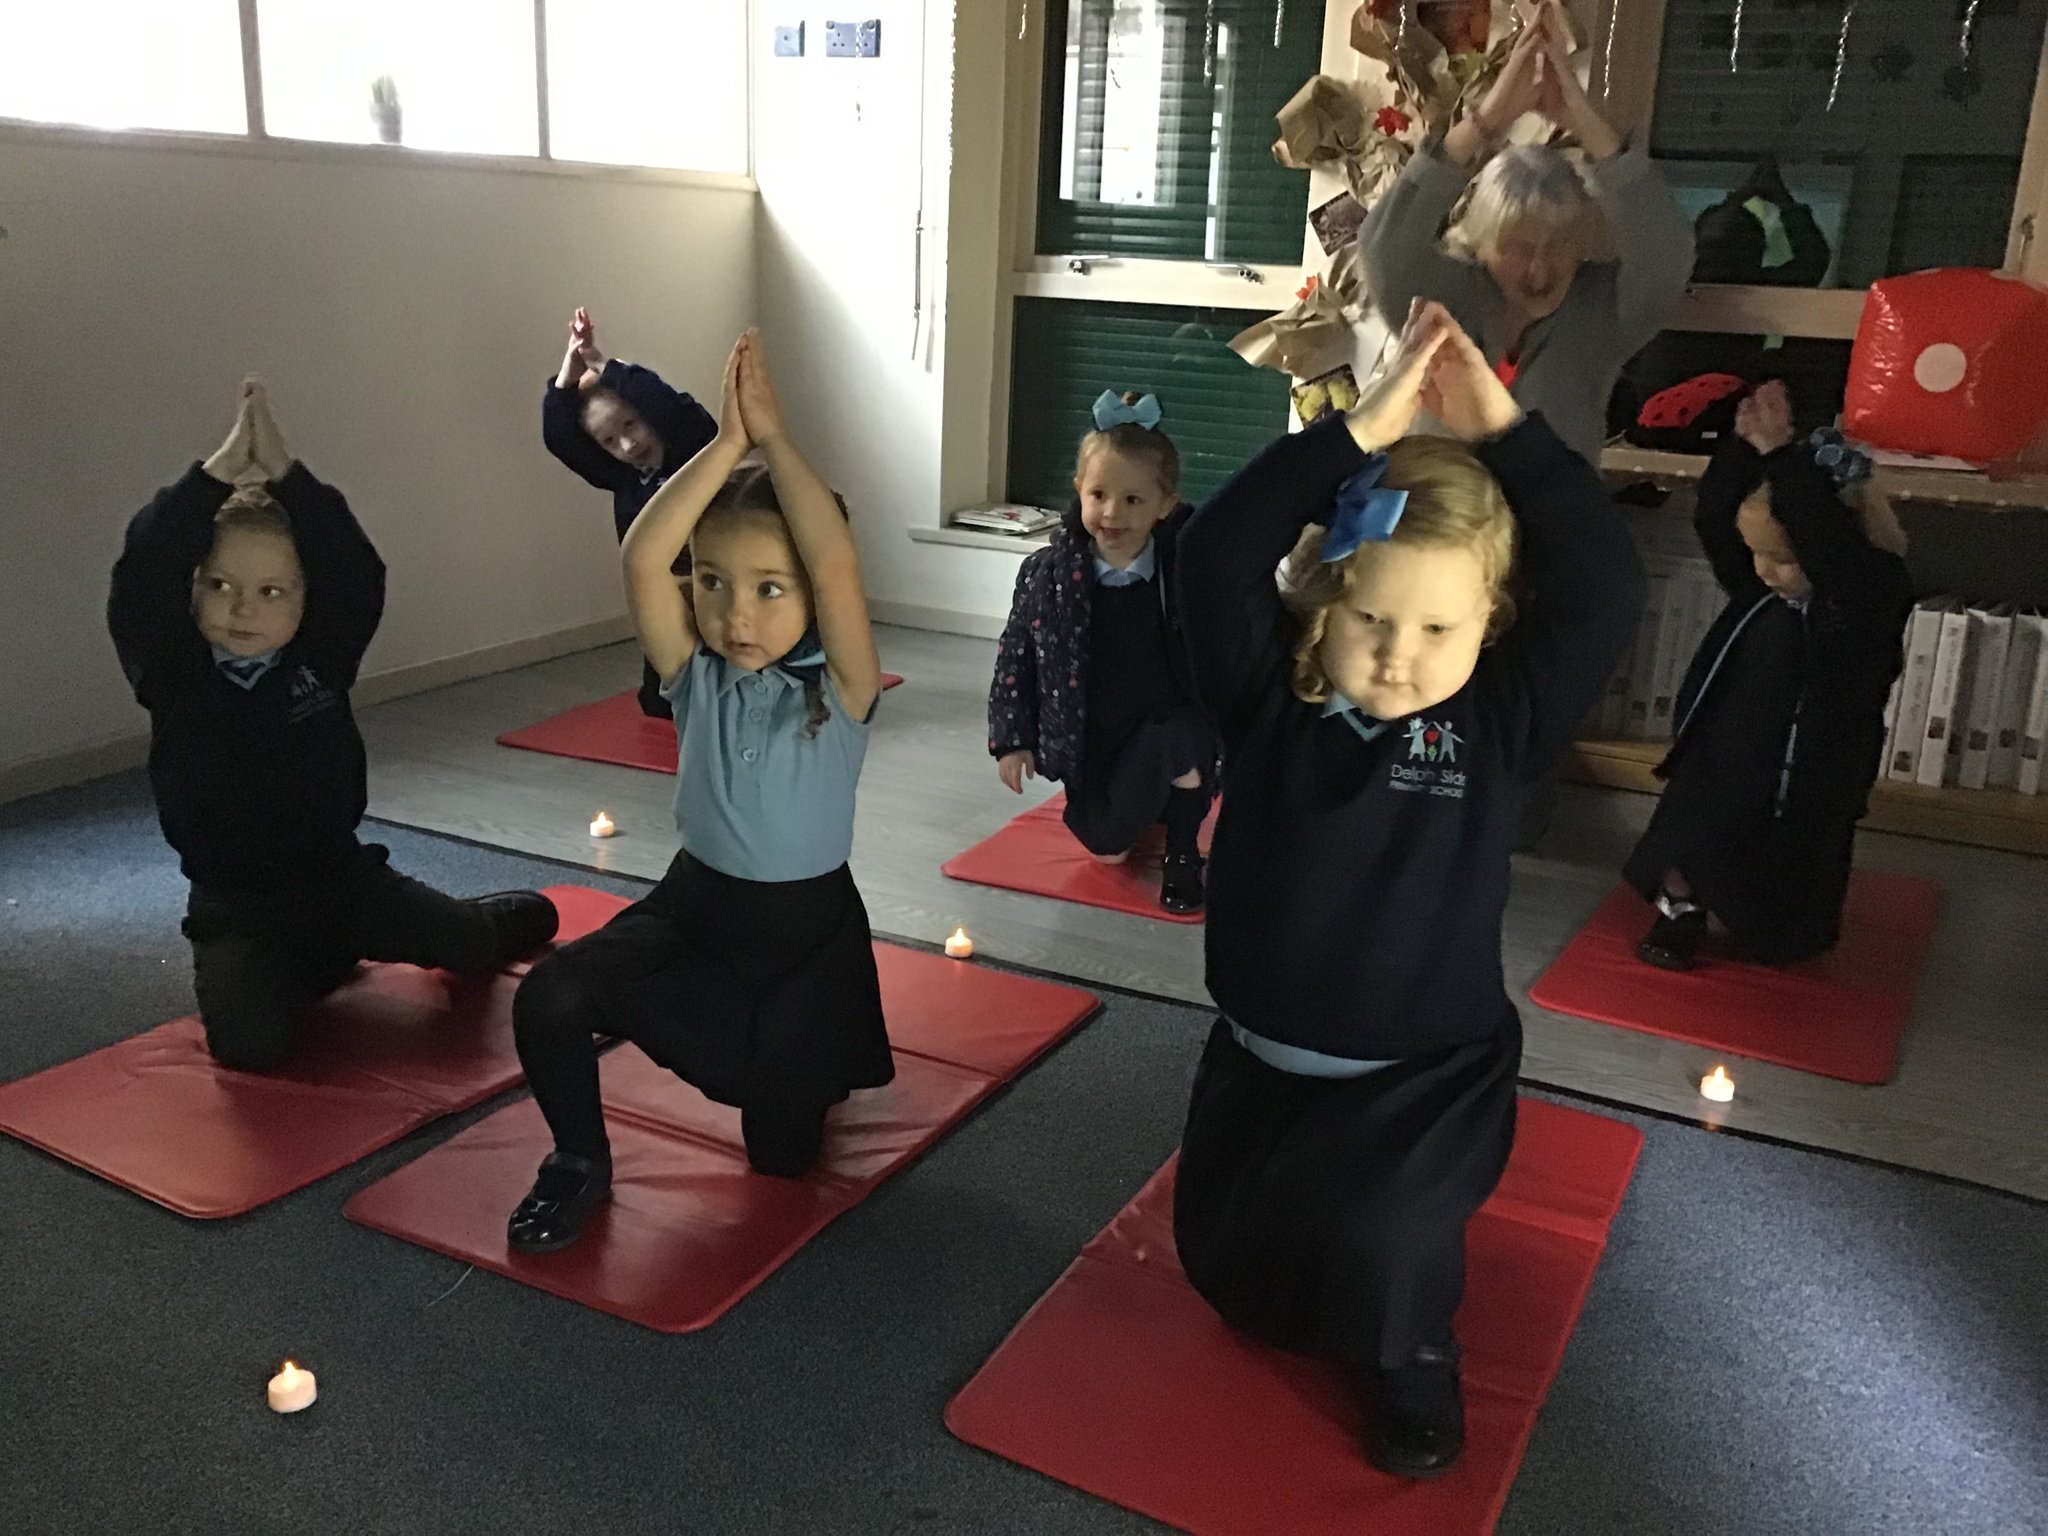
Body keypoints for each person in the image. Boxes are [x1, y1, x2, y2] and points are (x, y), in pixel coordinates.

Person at [1167, 301, 1644, 1478]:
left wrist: (1502, 432)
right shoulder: (1265, 700)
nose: (1398, 653)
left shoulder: (1494, 725)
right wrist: (1354, 430)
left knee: (1381, 1246)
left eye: (1438, 625)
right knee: (1234, 1279)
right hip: (1262, 1062)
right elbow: (1212, 553)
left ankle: (1414, 1350)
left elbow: (1605, 584)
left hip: (1421, 1081)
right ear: (1324, 605)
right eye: (1371, 618)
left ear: (1491, 623)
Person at [506, 332, 893, 1253]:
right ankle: (576, 1161)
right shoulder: (694, 675)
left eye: (769, 588)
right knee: (548, 1000)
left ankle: (805, 1075)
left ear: (811, 597)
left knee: (783, 1158)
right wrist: (721, 447)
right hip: (696, 914)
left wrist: (774, 443)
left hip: (804, 941)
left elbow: (836, 563)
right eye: (715, 584)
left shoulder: (842, 690)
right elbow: (645, 563)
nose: (735, 612)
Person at [108, 381, 558, 1071]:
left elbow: (353, 570)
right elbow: (142, 575)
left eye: (270, 592)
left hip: (342, 881)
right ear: (193, 589)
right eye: (220, 586)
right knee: (250, 1047)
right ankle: (310, 962)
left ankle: (467, 922)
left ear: (303, 602)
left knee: (470, 947)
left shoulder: (322, 657)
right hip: (238, 911)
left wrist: (289, 477)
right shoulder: (173, 676)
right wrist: (212, 479)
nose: (241, 609)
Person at [1359, 0, 1689, 846]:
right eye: (1517, 246)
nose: (1538, 268)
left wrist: (1583, 115)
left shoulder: (1599, 313)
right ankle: (1408, 812)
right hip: (1439, 536)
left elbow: (1665, 259)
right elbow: (1387, 248)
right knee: (1420, 690)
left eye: (1558, 246)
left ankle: (1502, 826)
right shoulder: (1450, 293)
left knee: (1519, 712)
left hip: (1542, 552)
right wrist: (1491, 117)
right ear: (1482, 241)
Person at [1625, 381, 1913, 969]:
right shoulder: (1762, 593)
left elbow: (1827, 546)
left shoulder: (1864, 595)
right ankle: (1681, 910)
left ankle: (1776, 922)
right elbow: (1715, 520)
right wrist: (1745, 447)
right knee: (1691, 837)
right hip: (1725, 752)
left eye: (1785, 558)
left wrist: (1786, 458)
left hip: (1810, 769)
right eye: (1760, 556)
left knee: (1791, 924)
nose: (1768, 572)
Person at [988, 391, 1218, 913]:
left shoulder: (1183, 571)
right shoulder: (1048, 574)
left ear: (1165, 504)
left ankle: (1182, 850)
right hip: (1093, 737)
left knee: (1179, 742)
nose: (1112, 513)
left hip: (1171, 719)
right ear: (1079, 492)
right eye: (1099, 495)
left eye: (1134, 500)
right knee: (1108, 850)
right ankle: (1157, 794)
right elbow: (1015, 656)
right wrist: (1012, 739)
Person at [541, 306, 718, 716]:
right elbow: (559, 437)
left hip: (713, 584)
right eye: (608, 441)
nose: (627, 446)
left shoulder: (691, 449)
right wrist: (568, 375)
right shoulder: (620, 477)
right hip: (659, 593)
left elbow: (669, 406)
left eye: (631, 426)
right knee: (659, 698)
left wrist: (604, 365)